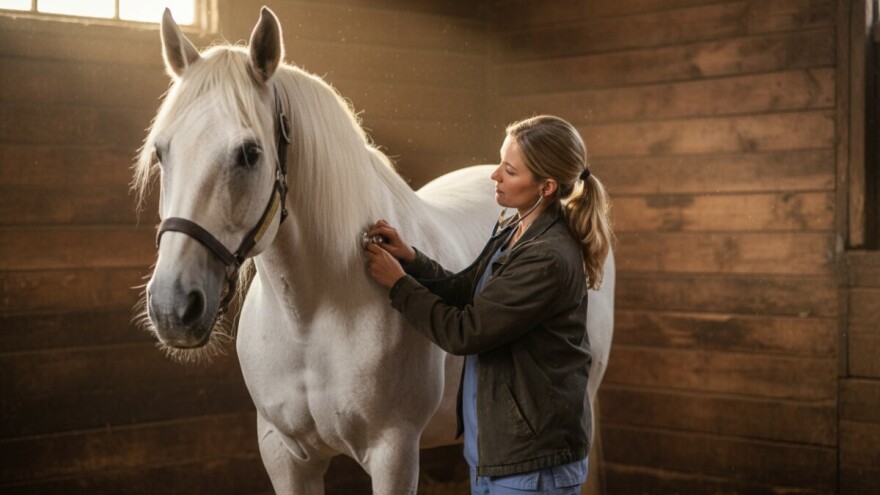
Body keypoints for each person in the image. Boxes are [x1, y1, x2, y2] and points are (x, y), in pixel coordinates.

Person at [364, 115, 613, 495]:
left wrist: (398, 286)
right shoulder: (517, 228)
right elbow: (471, 290)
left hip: (533, 464)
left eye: (510, 171)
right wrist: (411, 260)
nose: (494, 175)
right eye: (500, 162)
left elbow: (465, 331)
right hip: (499, 453)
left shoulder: (547, 257)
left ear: (546, 186)